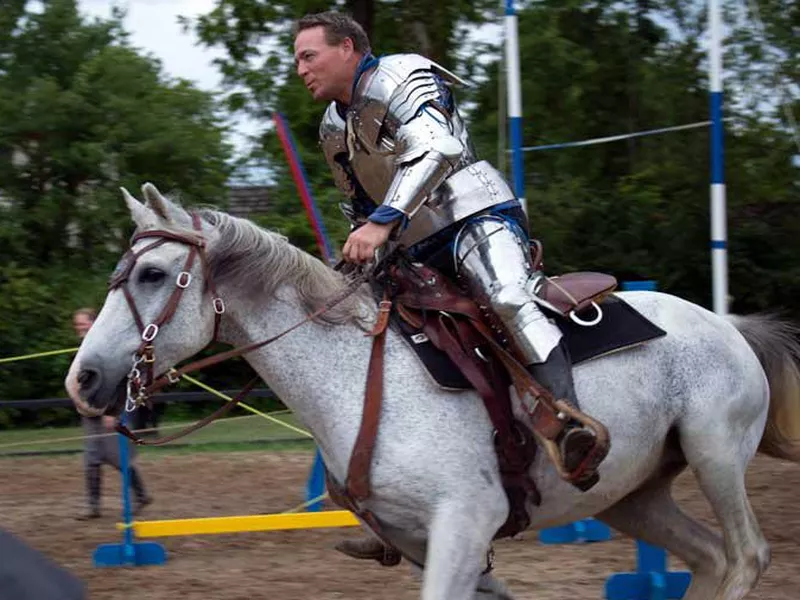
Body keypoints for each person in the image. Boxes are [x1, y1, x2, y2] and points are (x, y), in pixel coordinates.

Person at [293, 12, 610, 562]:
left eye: (308, 56)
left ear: (347, 48)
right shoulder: (329, 126)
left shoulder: (400, 75)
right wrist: (359, 239)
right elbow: (358, 201)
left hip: (472, 216)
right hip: (408, 241)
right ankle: (395, 502)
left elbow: (437, 149)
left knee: (510, 297)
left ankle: (570, 424)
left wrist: (381, 223)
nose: (301, 69)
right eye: (298, 59)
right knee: (364, 331)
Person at [71, 308, 153, 520]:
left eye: (83, 323)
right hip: (90, 413)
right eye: (77, 324)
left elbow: (120, 380)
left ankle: (141, 496)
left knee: (119, 458)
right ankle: (93, 507)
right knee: (91, 458)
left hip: (109, 411)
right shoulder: (85, 348)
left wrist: (112, 411)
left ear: (94, 323)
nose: (79, 328)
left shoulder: (106, 347)